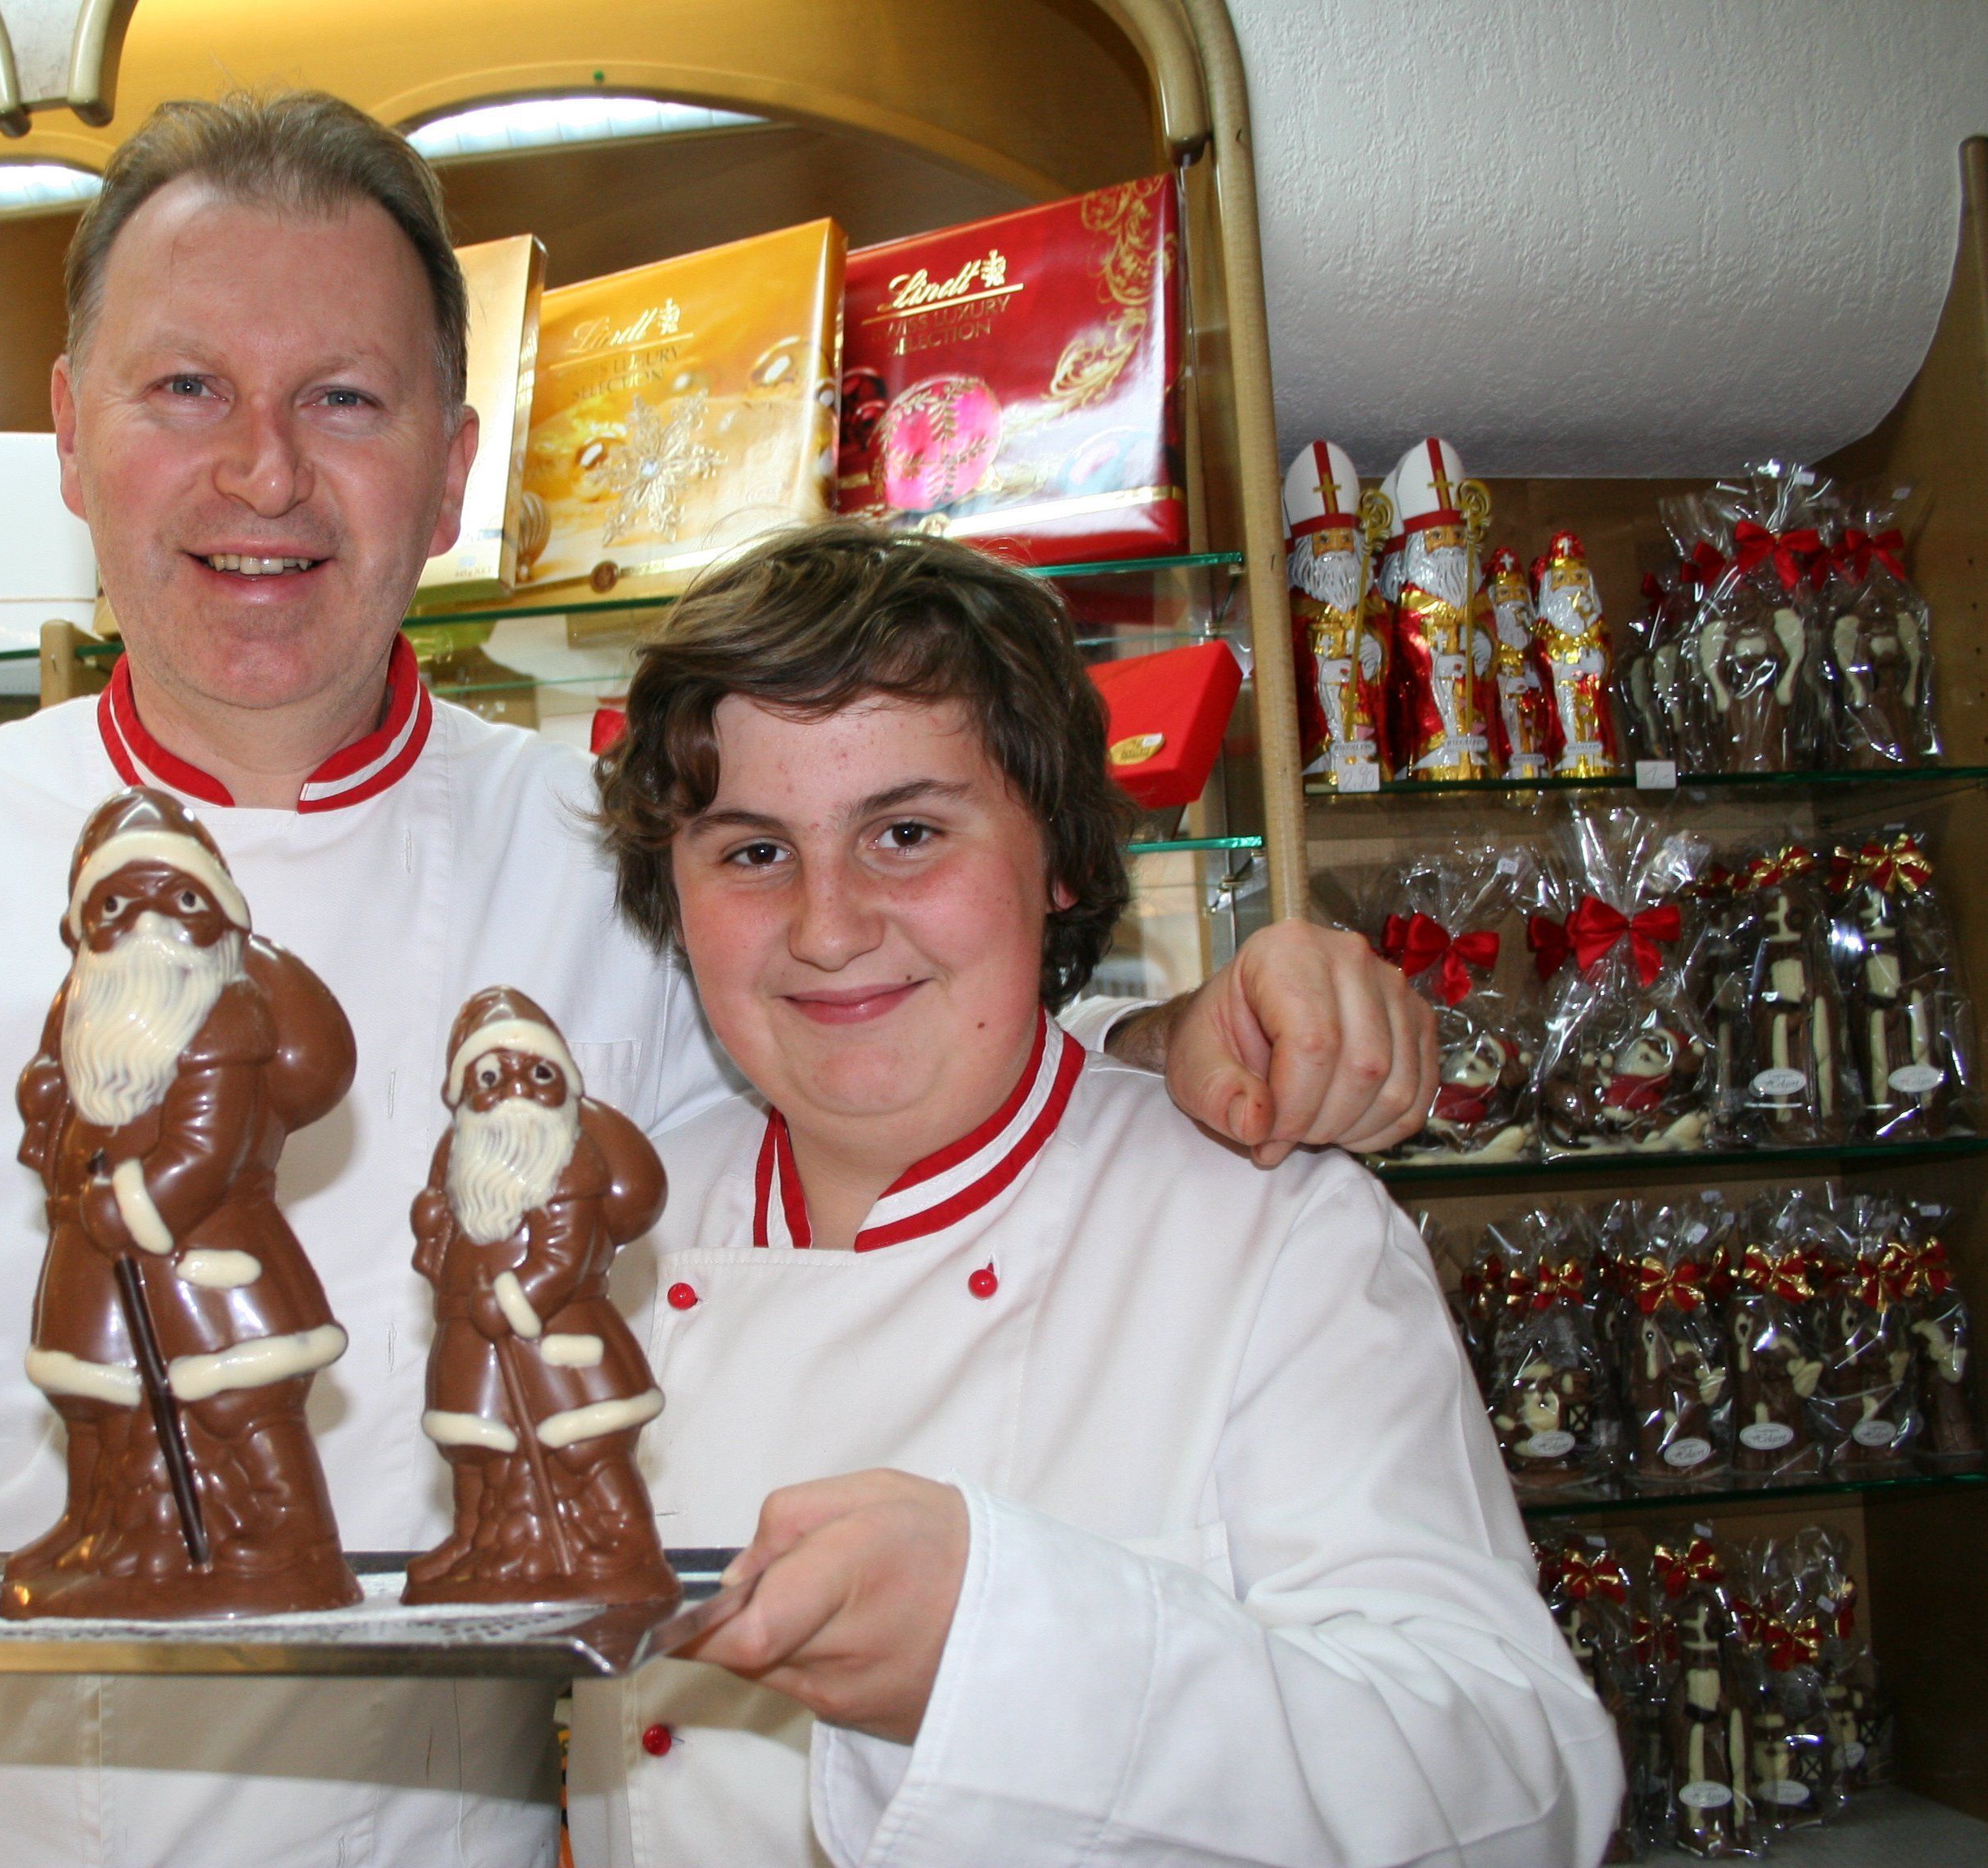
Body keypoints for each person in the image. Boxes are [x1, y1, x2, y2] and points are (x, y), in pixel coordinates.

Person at [0, 91, 1440, 1867]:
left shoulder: (608, 852)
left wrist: (1179, 1036)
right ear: (72, 436)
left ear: (452, 471)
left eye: (344, 400)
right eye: (187, 387)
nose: (263, 473)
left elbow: (873, 1048)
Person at [572, 522, 1620, 1866]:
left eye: (906, 832)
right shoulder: (620, 1233)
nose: (828, 928)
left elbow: (1520, 1785)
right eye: (753, 852)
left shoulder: (1266, 1227)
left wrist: (1004, 1654)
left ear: (1058, 858)